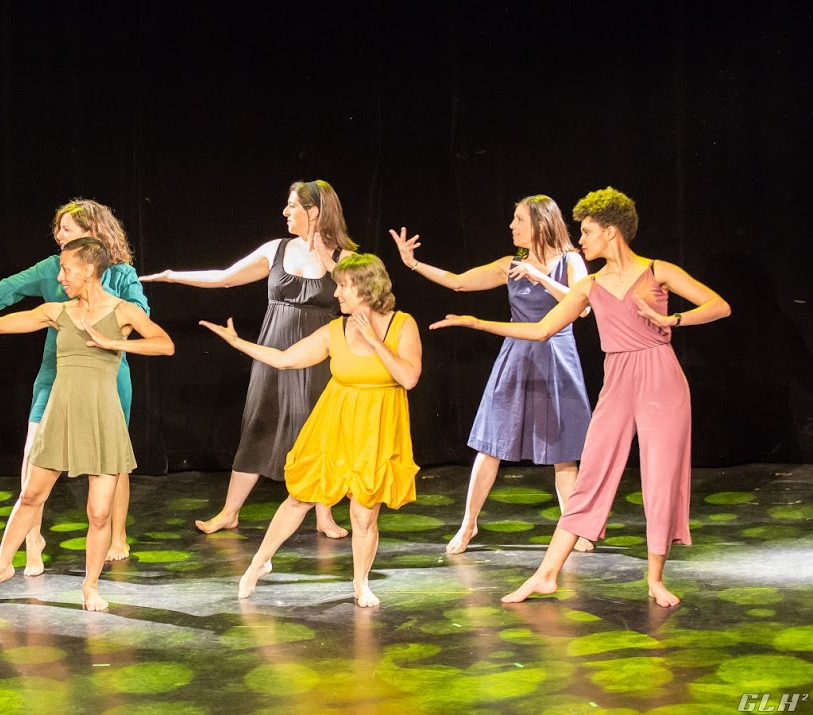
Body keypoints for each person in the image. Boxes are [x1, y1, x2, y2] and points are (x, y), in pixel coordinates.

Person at [431, 187, 731, 607]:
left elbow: (719, 306)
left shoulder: (658, 270)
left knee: (659, 479)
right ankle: (546, 574)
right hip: (618, 380)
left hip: (662, 378)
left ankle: (656, 579)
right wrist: (477, 323)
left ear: (611, 232)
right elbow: (540, 330)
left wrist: (670, 319)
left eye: (588, 231)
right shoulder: (589, 284)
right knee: (590, 475)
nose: (581, 239)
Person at [0, 237, 173, 611]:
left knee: (99, 512)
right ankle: (1, 566)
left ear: (88, 270)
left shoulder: (123, 312)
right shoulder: (57, 311)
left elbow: (164, 344)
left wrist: (113, 344)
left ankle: (90, 587)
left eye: (67, 268)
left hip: (103, 416)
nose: (61, 275)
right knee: (31, 496)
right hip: (61, 413)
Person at [201, 253, 421, 608]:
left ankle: (360, 583)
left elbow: (409, 378)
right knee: (300, 496)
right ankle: (258, 563)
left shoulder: (403, 325)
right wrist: (238, 343)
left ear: (366, 288)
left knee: (363, 514)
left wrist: (375, 340)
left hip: (377, 430)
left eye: (344, 287)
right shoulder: (336, 330)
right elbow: (286, 359)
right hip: (334, 424)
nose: (337, 294)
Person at [142, 180, 355, 539]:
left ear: (314, 211)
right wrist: (172, 276)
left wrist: (323, 256)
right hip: (272, 351)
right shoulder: (276, 249)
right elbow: (225, 278)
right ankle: (229, 512)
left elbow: (357, 294)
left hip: (319, 353)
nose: (285, 212)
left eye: (292, 206)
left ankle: (324, 515)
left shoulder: (344, 258)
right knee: (260, 423)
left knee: (318, 430)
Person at [390, 195, 594, 554]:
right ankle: (468, 524)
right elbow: (458, 282)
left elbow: (583, 307)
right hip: (517, 354)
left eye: (518, 220)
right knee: (491, 444)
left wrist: (539, 276)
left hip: (557, 354)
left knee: (564, 451)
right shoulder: (509, 263)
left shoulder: (570, 260)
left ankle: (572, 527)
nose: (512, 226)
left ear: (540, 224)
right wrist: (413, 264)